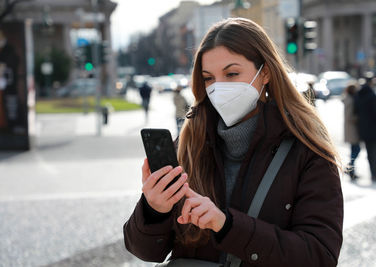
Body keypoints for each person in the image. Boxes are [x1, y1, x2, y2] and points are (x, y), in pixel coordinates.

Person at [124, 18, 343, 266]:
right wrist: (153, 209)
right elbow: (145, 251)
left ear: (266, 73)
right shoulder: (187, 144)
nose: (219, 87)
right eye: (208, 78)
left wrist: (226, 225)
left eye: (232, 73)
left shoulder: (307, 150)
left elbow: (320, 256)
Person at [354, 72, 376, 182]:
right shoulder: (371, 94)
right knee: (375, 153)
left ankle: (372, 173)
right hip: (373, 128)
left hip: (363, 128)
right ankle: (374, 174)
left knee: (369, 153)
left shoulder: (358, 94)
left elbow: (355, 110)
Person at [342, 83, 361, 181]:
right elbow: (349, 117)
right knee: (356, 150)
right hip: (352, 129)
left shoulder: (348, 99)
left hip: (350, 129)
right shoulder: (350, 100)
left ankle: (350, 169)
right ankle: (350, 168)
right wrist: (359, 118)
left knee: (354, 150)